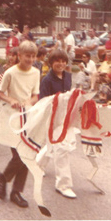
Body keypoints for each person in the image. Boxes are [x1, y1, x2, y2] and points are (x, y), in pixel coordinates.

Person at [0, 40, 40, 208]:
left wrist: (29, 101)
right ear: (19, 56)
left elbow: (36, 95)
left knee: (27, 155)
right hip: (12, 117)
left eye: (33, 56)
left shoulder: (36, 73)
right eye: (27, 56)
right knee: (19, 155)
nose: (30, 59)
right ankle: (5, 178)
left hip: (28, 116)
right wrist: (11, 99)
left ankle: (16, 191)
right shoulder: (10, 73)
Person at [36, 49, 76, 198]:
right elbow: (43, 101)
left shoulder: (68, 77)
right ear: (51, 63)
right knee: (61, 149)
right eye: (57, 61)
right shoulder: (46, 80)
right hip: (52, 117)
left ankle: (37, 165)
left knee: (55, 145)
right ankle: (63, 184)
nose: (61, 64)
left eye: (63, 61)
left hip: (66, 116)